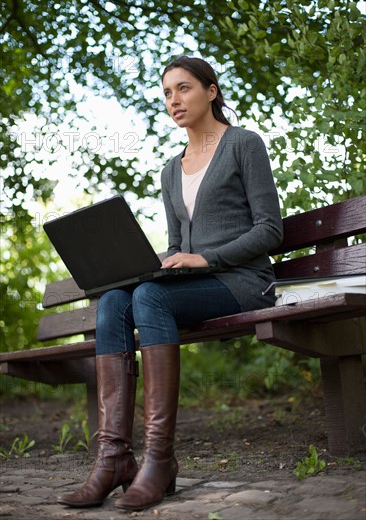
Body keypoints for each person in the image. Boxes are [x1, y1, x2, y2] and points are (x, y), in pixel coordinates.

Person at [57, 56, 283, 511]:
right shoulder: (170, 169)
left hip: (243, 280)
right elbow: (178, 243)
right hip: (196, 284)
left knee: (149, 297)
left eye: (184, 88)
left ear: (211, 91)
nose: (173, 100)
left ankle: (159, 460)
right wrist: (148, 263)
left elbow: (269, 230)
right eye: (166, 93)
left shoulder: (244, 144)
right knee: (113, 302)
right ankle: (113, 459)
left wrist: (207, 258)